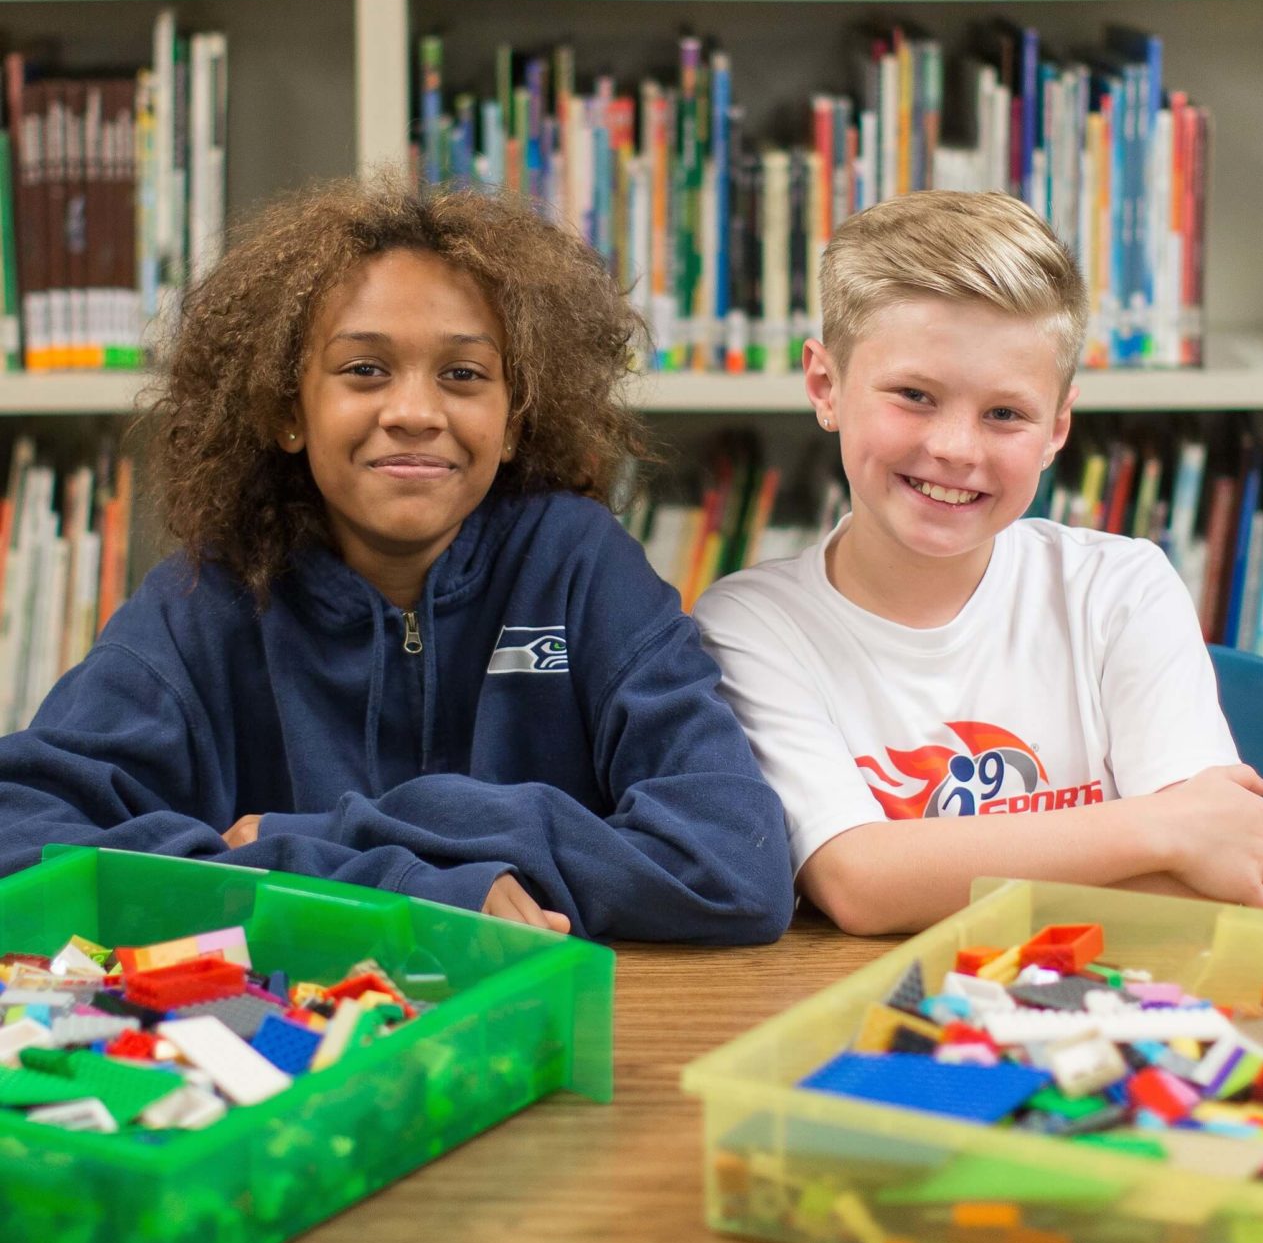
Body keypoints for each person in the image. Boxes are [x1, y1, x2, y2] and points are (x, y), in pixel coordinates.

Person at [0, 179, 793, 945]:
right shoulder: (207, 598)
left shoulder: (579, 564)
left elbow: (733, 861)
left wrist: (348, 829)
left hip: (545, 1025)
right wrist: (383, 880)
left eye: (464, 375)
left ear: (514, 419)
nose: (414, 412)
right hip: (297, 1046)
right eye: (364, 370)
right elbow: (20, 833)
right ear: (287, 412)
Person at [695, 190, 1263, 936]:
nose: (957, 449)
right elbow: (860, 882)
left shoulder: (1120, 588)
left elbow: (1213, 877)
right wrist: (1156, 830)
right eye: (914, 395)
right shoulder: (752, 625)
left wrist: (927, 876)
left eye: (1005, 413)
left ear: (1058, 426)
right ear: (825, 386)